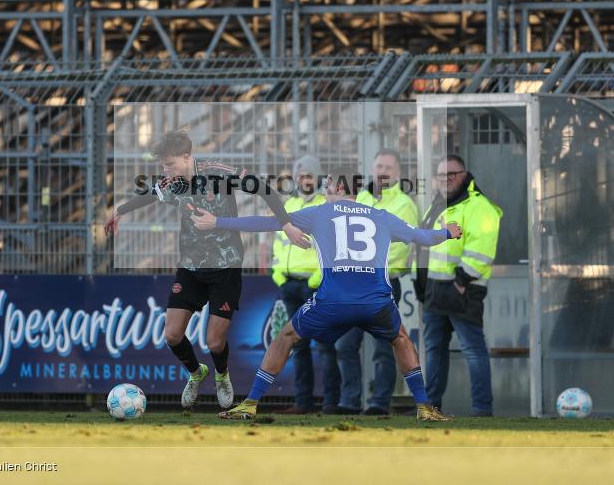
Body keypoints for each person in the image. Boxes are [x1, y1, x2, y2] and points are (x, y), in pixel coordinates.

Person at [190, 164, 461, 421]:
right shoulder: (381, 216)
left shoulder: (320, 213)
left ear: (340, 188)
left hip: (334, 300)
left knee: (285, 337)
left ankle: (250, 403)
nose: (323, 191)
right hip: (375, 302)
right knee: (401, 339)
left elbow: (266, 222)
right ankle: (425, 407)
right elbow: (423, 238)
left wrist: (218, 222)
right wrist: (447, 232)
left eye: (328, 186)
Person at [104, 131, 310, 410]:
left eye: (170, 164)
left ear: (187, 157)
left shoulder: (218, 173)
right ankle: (196, 372)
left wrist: (285, 224)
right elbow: (150, 195)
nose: (166, 171)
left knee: (214, 342)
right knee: (172, 335)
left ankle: (221, 375)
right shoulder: (171, 183)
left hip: (225, 266)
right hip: (190, 266)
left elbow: (264, 189)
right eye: (163, 166)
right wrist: (120, 211)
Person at [414, 154, 502, 417]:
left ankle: (482, 410)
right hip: (434, 292)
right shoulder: (438, 205)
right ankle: (431, 408)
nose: (446, 179)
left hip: (462, 290)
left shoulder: (479, 206)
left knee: (473, 351)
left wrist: (462, 282)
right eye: (441, 175)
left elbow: (481, 250)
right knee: (434, 353)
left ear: (465, 174)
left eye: (452, 174)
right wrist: (420, 284)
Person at [335, 148, 418, 415]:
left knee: (383, 349)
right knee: (345, 345)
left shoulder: (405, 204)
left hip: (382, 283)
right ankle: (349, 401)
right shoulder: (359, 199)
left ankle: (379, 403)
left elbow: (401, 248)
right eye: (379, 166)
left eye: (388, 167)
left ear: (398, 173)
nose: (382, 171)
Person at [272, 155, 341, 414]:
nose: (304, 180)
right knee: (297, 345)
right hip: (289, 285)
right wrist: (279, 275)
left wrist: (316, 280)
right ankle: (303, 402)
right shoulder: (290, 204)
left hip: (316, 286)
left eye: (309, 175)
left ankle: (332, 402)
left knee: (325, 345)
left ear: (318, 177)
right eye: (300, 176)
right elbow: (279, 243)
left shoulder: (327, 205)